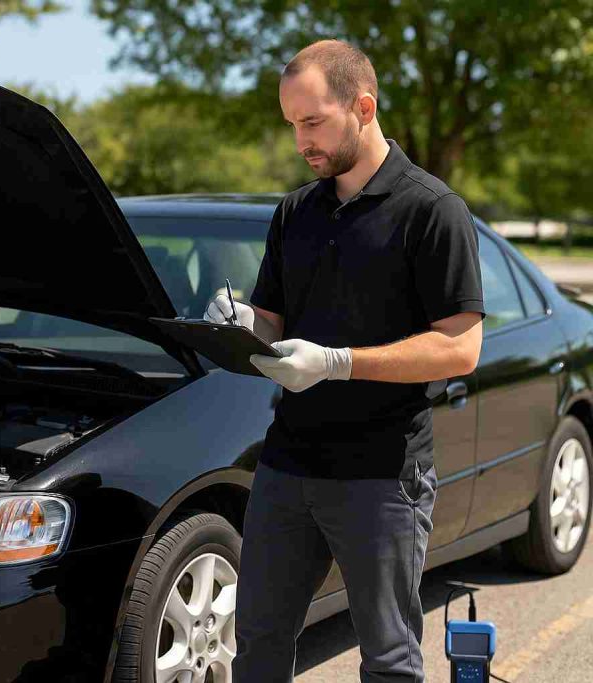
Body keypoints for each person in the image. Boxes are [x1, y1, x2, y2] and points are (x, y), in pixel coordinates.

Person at [204, 39, 485, 682]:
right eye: (291, 125)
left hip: (381, 475)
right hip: (286, 465)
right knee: (259, 647)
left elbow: (461, 346)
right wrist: (243, 324)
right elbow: (274, 318)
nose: (301, 141)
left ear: (363, 106)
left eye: (312, 121)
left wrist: (337, 363)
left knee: (388, 660)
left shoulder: (433, 210)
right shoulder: (296, 211)